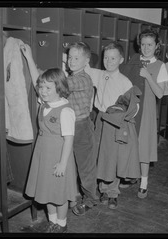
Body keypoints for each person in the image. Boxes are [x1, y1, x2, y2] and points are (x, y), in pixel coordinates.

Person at [21, 44, 78, 233]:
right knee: (47, 191)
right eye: (41, 87)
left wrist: (63, 163)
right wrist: (29, 57)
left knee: (59, 194)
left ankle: (61, 224)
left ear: (59, 88)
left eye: (47, 87)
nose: (42, 91)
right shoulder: (44, 102)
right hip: (43, 154)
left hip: (59, 157)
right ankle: (52, 221)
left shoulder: (65, 110)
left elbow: (69, 139)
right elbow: (37, 79)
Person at [120, 28, 168, 198]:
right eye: (143, 44)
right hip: (132, 109)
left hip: (147, 112)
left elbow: (160, 93)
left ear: (156, 45)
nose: (146, 48)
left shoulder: (161, 66)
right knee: (130, 144)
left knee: (143, 147)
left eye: (150, 44)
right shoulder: (134, 60)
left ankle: (144, 181)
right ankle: (132, 176)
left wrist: (148, 76)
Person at [85, 41, 140, 209]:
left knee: (113, 156)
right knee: (99, 154)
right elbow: (83, 68)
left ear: (121, 60)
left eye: (113, 58)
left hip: (115, 122)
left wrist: (123, 118)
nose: (109, 61)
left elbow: (134, 107)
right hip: (100, 119)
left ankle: (112, 193)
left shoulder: (125, 82)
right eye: (106, 58)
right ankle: (102, 189)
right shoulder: (99, 74)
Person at [66, 42, 99, 216]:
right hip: (69, 126)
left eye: (76, 58)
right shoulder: (71, 76)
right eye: (70, 57)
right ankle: (73, 195)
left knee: (85, 168)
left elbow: (62, 84)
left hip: (81, 127)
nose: (71, 61)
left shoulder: (82, 78)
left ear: (86, 60)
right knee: (70, 164)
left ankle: (91, 199)